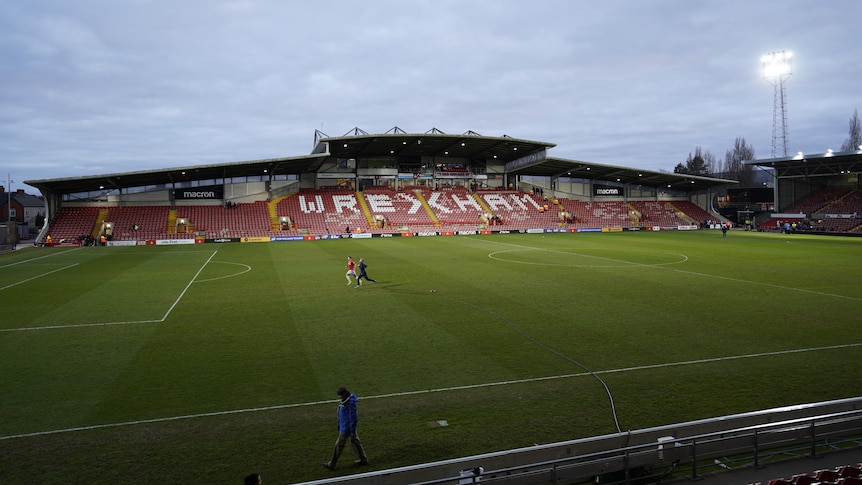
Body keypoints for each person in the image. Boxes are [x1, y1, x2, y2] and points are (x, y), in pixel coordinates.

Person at [323, 386, 369, 470]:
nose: (339, 397)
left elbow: (353, 417)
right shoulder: (346, 401)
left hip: (346, 428)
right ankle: (363, 459)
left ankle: (332, 464)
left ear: (344, 394)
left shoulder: (349, 403)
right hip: (345, 426)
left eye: (340, 395)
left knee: (339, 445)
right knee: (355, 442)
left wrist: (351, 429)